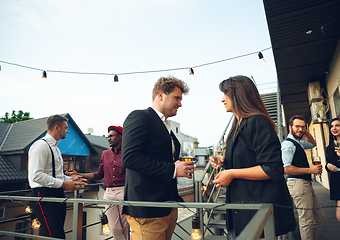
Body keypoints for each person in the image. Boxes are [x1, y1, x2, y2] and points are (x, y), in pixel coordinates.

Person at [210, 75, 296, 237]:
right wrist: (223, 161)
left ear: (238, 95)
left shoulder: (257, 122)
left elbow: (273, 169)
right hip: (241, 208)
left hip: (256, 210)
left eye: (225, 94)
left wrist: (232, 173)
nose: (222, 99)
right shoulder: (236, 126)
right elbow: (249, 158)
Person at [121, 76, 194, 240]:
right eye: (177, 98)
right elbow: (129, 158)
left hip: (167, 207)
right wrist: (173, 169)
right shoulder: (139, 117)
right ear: (160, 95)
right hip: (148, 209)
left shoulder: (166, 126)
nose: (180, 104)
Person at [28, 114, 87, 239]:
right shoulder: (40, 146)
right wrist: (65, 184)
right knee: (55, 236)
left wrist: (72, 180)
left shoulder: (56, 149)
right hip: (43, 195)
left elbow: (57, 176)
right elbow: (36, 176)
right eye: (65, 128)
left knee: (54, 234)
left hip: (58, 194)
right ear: (57, 128)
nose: (67, 130)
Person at [66, 125, 129, 240]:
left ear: (120, 137)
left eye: (111, 136)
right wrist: (79, 174)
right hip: (109, 193)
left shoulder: (127, 153)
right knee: (115, 228)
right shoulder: (105, 154)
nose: (108, 138)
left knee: (124, 227)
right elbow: (98, 174)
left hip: (124, 192)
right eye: (108, 136)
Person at [281, 115, 326, 240]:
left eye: (303, 127)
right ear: (290, 127)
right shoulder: (288, 145)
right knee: (307, 220)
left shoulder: (299, 143)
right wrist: (310, 170)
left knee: (320, 218)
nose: (300, 129)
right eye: (297, 127)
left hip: (305, 184)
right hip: (297, 184)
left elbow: (313, 143)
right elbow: (286, 168)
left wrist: (304, 131)